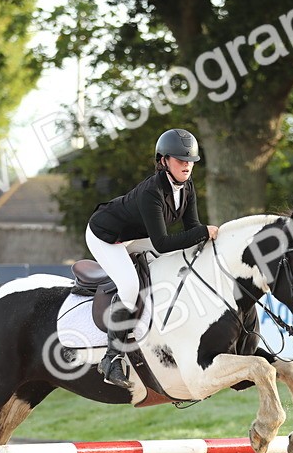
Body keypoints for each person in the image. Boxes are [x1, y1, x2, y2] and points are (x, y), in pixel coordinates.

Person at [86, 128, 219, 388]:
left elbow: (192, 229)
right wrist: (203, 232)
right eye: (181, 160)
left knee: (180, 262)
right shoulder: (152, 191)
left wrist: (203, 237)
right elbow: (162, 242)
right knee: (129, 286)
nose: (187, 166)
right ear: (163, 161)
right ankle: (111, 358)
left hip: (136, 235)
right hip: (107, 236)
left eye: (190, 161)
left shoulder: (188, 187)